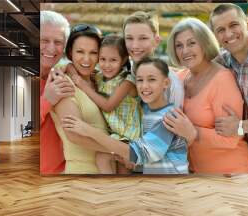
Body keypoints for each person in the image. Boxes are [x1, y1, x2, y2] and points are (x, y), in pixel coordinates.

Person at [62, 57, 189, 175]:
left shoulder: (170, 118)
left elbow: (138, 154)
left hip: (171, 185)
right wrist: (68, 66)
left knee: (105, 159)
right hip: (152, 180)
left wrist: (89, 131)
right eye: (140, 80)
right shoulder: (146, 109)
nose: (144, 86)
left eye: (152, 79)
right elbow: (90, 71)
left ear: (166, 83)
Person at [163, 18, 248, 174]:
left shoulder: (222, 79)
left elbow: (232, 139)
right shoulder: (181, 77)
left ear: (204, 43)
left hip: (230, 174)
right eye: (179, 45)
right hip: (196, 172)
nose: (185, 51)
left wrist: (193, 132)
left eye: (192, 43)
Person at [72, 34, 142, 174]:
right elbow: (72, 68)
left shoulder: (127, 81)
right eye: (102, 59)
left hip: (128, 135)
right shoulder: (99, 76)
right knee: (110, 163)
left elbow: (108, 106)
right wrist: (66, 67)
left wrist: (83, 86)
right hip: (115, 134)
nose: (106, 65)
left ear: (123, 61)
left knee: (103, 158)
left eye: (113, 60)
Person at [50, 24, 110, 174]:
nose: (86, 59)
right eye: (80, 52)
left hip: (110, 169)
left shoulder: (100, 81)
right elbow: (74, 135)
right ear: (70, 52)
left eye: (93, 52)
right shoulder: (62, 83)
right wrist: (122, 150)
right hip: (83, 171)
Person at [209, 3, 248, 161]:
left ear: (247, 24)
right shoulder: (223, 60)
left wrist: (240, 126)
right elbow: (192, 72)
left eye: (233, 25)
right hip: (243, 155)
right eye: (220, 30)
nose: (228, 34)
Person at [122, 11, 184, 109]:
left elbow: (175, 118)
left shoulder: (170, 81)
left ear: (156, 41)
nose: (135, 45)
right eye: (129, 38)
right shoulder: (121, 73)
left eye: (143, 38)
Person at [40, 10, 74, 174]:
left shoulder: (63, 78)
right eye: (44, 40)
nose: (51, 48)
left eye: (58, 42)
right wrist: (46, 100)